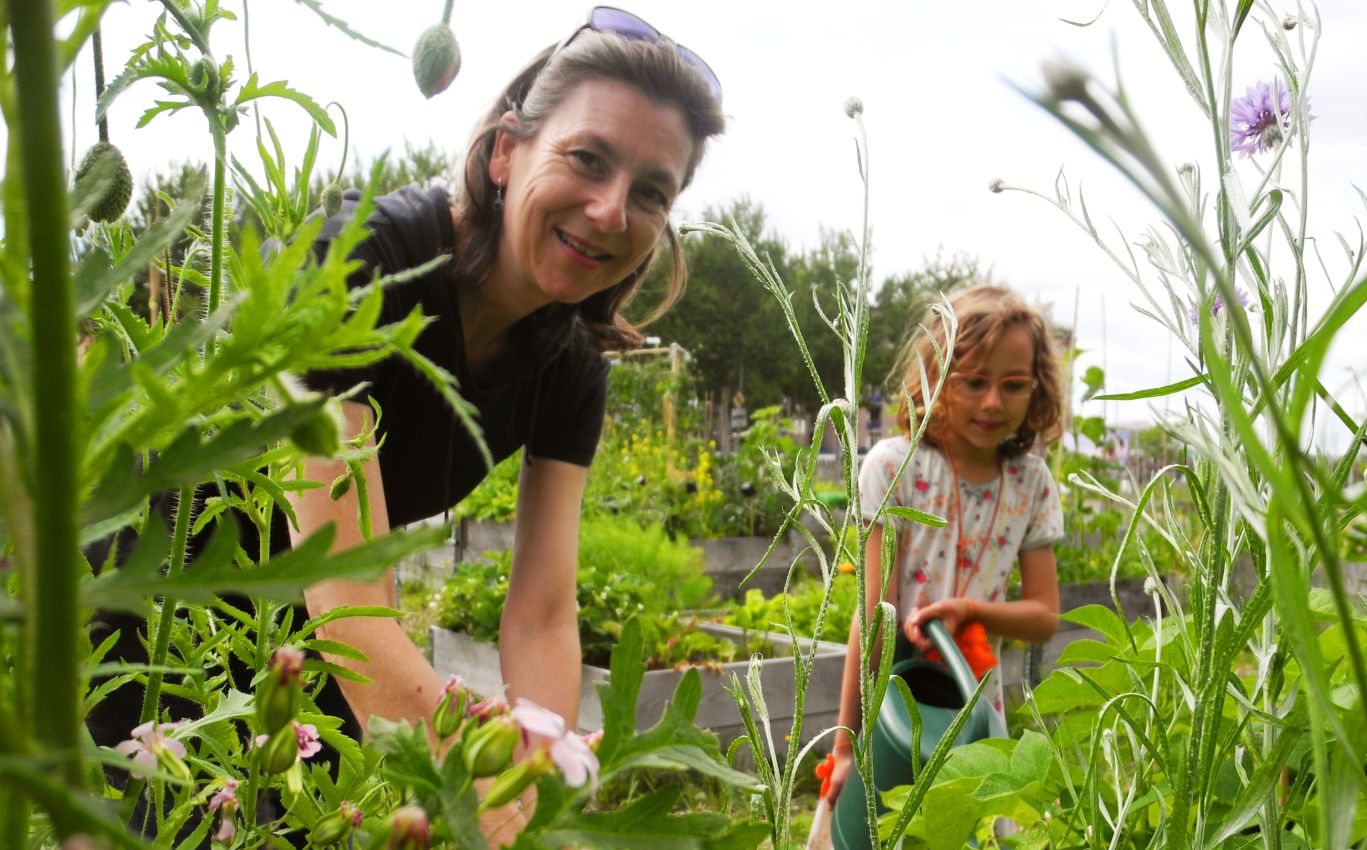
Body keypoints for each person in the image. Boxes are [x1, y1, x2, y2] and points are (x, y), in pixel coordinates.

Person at [290, 8, 725, 744]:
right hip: (176, 617)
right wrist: (484, 775)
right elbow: (346, 592)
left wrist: (544, 762)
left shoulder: (570, 367)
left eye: (652, 192)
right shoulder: (366, 265)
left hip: (322, 658)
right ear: (503, 152)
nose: (612, 210)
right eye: (588, 158)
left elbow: (542, 616)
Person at [823, 285, 1066, 807]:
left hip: (979, 708)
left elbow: (1045, 615)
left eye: (1014, 384)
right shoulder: (895, 467)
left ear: (1037, 389)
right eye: (973, 381)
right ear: (935, 379)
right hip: (894, 707)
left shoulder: (1032, 483)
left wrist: (971, 611)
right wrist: (846, 745)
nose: (993, 401)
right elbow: (874, 616)